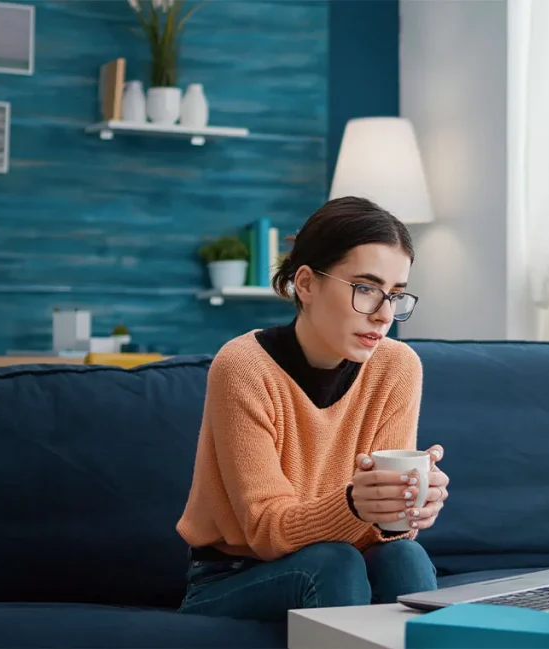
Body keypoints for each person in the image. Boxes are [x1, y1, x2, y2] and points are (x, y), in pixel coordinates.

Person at [174, 196, 449, 623]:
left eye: (395, 295)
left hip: (350, 564)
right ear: (305, 283)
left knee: (405, 555)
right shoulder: (244, 367)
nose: (383, 315)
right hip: (235, 575)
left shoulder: (397, 367)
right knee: (336, 562)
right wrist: (357, 505)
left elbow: (387, 534)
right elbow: (266, 531)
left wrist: (408, 508)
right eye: (365, 289)